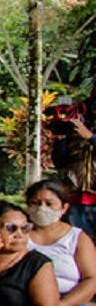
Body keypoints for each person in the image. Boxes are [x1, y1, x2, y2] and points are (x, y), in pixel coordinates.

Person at [27, 178, 96, 306]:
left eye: (49, 204)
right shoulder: (18, 234)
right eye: (35, 203)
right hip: (23, 300)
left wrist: (64, 304)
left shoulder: (77, 238)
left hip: (67, 300)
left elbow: (91, 279)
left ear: (64, 207)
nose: (42, 208)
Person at [49, 92, 96, 241]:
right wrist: (61, 138)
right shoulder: (78, 120)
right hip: (77, 197)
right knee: (77, 245)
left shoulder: (86, 132)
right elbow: (59, 162)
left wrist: (91, 138)